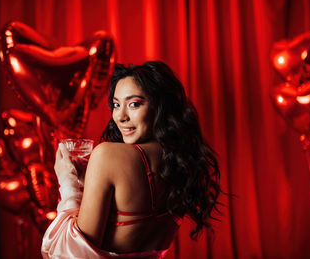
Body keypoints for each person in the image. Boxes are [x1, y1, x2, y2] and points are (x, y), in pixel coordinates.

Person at [41, 61, 222, 258]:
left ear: (159, 107)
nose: (120, 116)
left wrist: (68, 183)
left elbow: (68, 255)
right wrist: (91, 182)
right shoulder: (181, 161)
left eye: (134, 104)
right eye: (117, 105)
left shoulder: (107, 155)